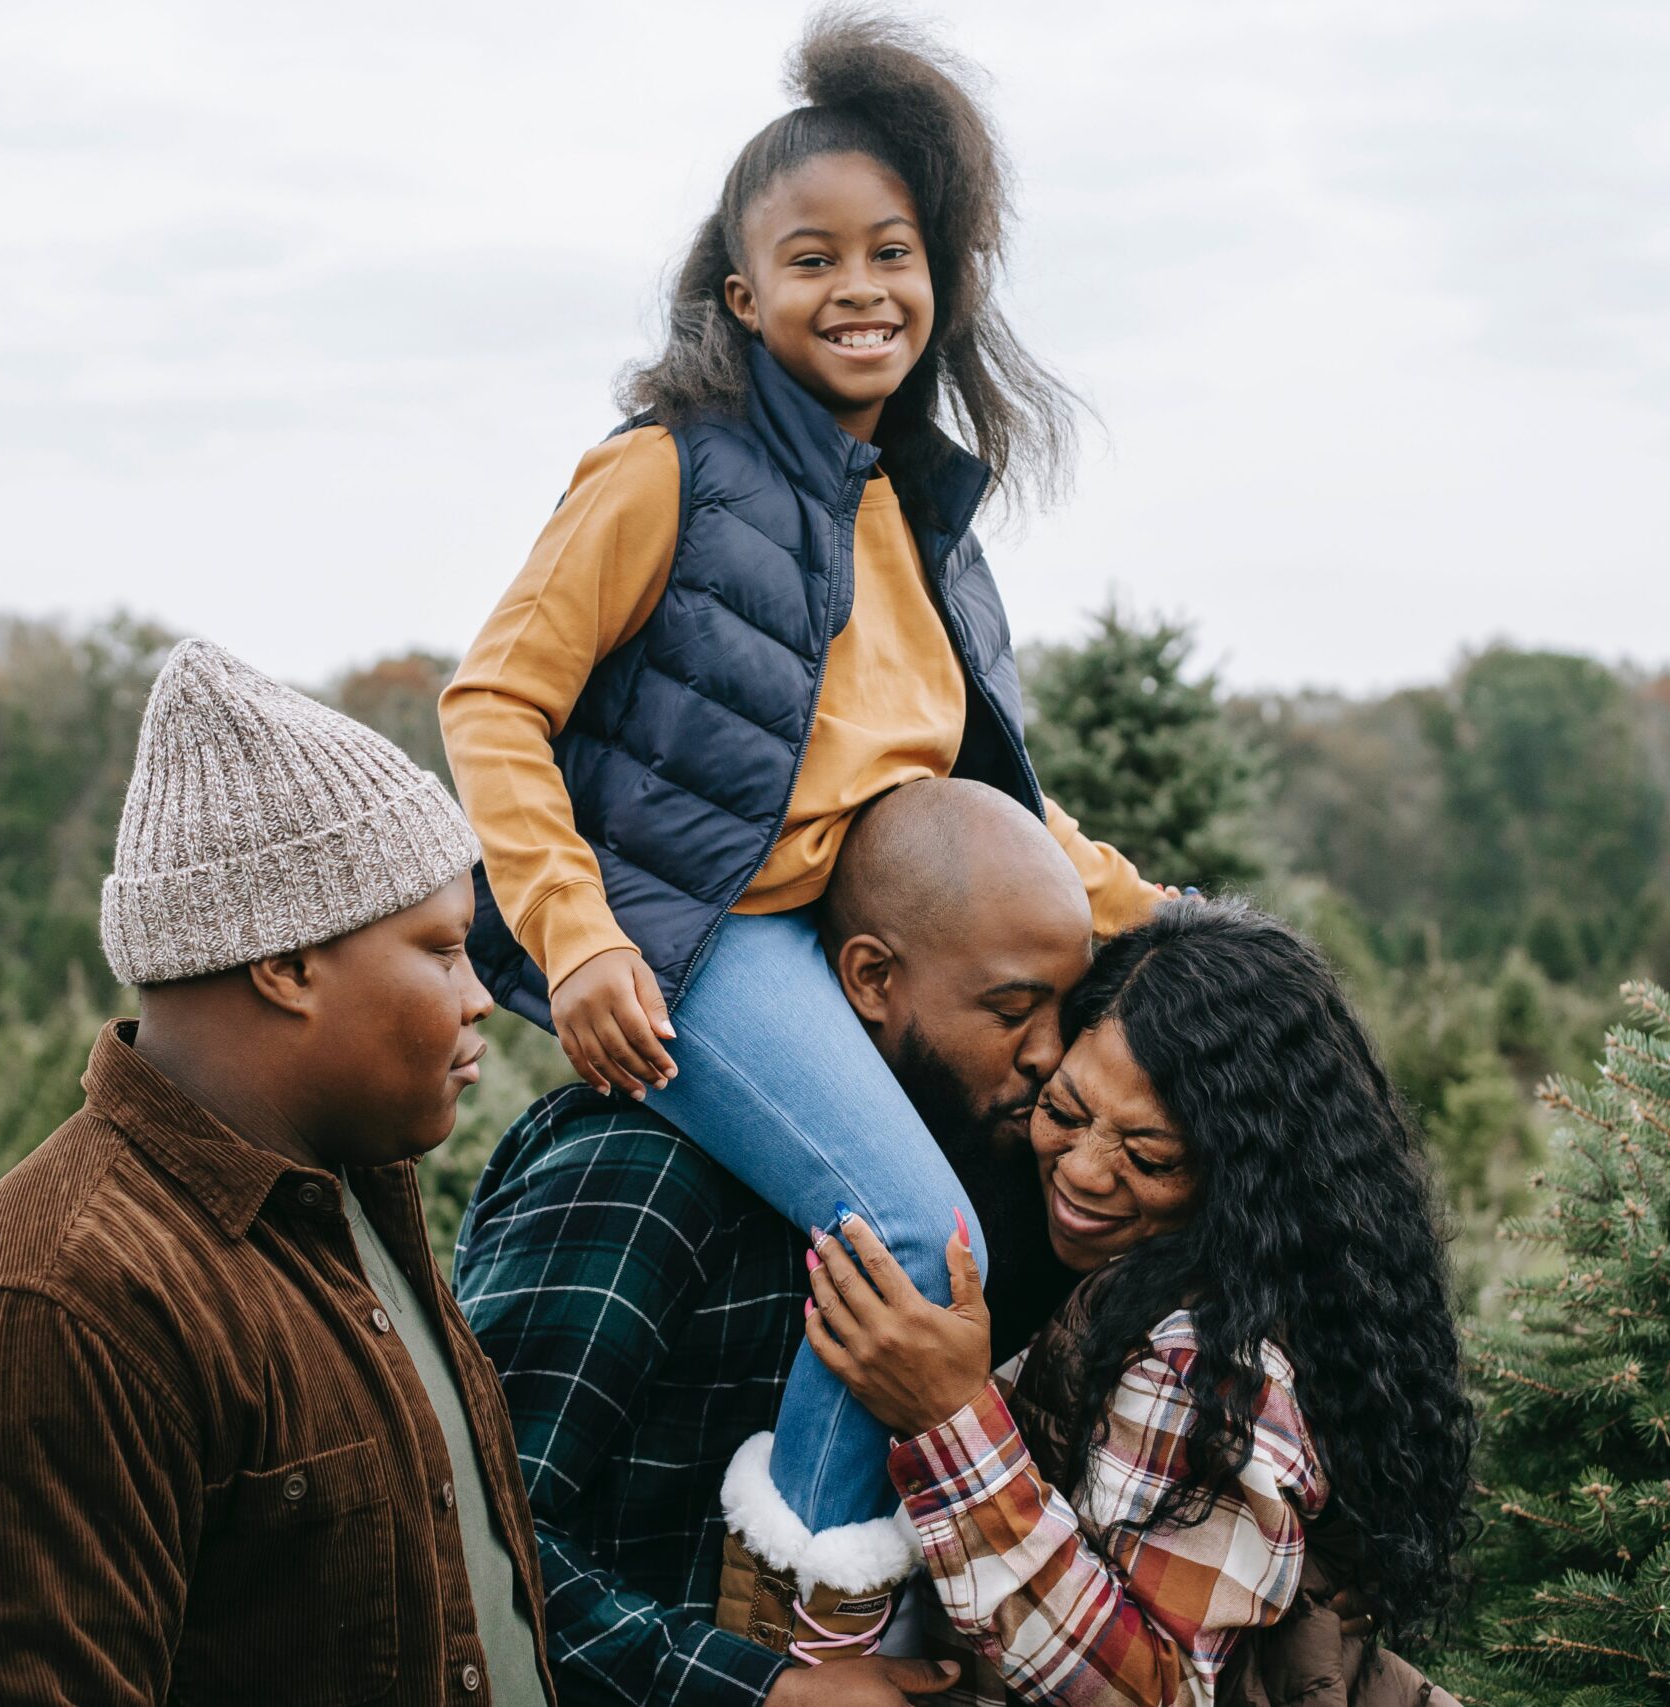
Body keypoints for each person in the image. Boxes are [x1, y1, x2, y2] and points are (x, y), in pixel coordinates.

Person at [437, 12, 1171, 1649]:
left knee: (1028, 1178)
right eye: (814, 256)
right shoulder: (664, 474)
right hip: (698, 939)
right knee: (916, 1230)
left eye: (894, 253)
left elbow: (988, 796)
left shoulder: (916, 514)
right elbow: (492, 703)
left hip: (844, 924)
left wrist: (1157, 911)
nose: (862, 288)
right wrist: (581, 932)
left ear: (940, 279)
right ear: (742, 296)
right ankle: (804, 1615)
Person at [0, 641, 554, 1706]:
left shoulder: (352, 1209)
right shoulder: (50, 1314)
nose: (478, 997)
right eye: (442, 948)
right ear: (287, 962)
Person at [454, 779, 1091, 1707]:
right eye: (1010, 1009)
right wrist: (762, 1692)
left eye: (1063, 1015)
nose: (1048, 1054)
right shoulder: (641, 1173)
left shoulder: (985, 1196)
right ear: (872, 978)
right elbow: (462, 1533)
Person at [805, 902, 1476, 1707]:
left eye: (1149, 1155)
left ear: (1243, 1182)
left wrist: (953, 1420)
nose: (1084, 1170)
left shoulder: (1212, 1365)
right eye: (1062, 1111)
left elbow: (1157, 1692)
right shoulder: (1148, 1273)